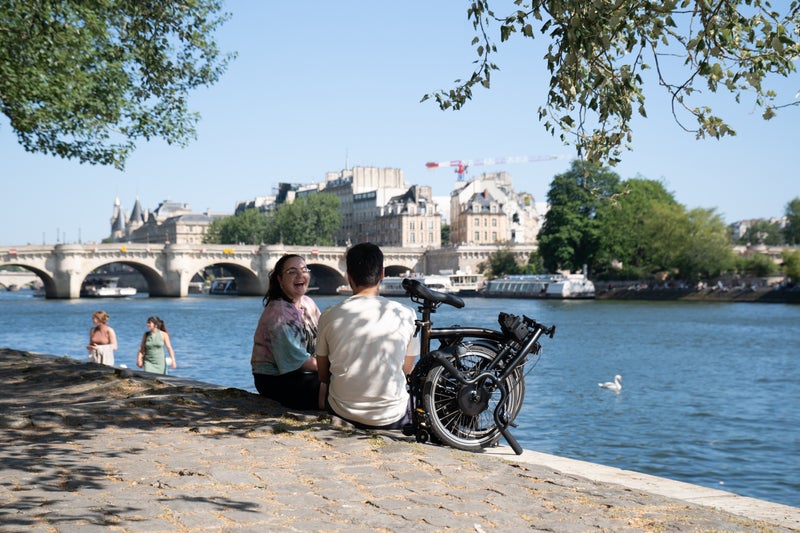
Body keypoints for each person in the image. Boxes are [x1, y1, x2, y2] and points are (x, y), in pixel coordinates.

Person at [316, 242, 419, 429]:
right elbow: (407, 368)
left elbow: (323, 375)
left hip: (342, 411)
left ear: (348, 277)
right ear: (382, 274)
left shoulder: (329, 315)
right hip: (393, 415)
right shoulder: (406, 314)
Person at [251, 254, 323, 410]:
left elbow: (326, 338)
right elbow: (299, 362)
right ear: (279, 279)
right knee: (338, 387)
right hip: (277, 380)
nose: (300, 275)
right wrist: (333, 366)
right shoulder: (279, 314)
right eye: (292, 272)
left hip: (303, 373)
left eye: (304, 270)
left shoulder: (308, 303)